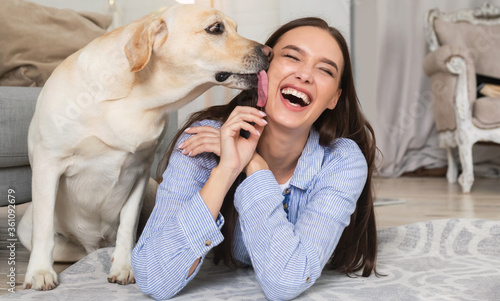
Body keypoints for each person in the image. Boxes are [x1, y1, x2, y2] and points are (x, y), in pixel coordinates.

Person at [131, 17, 378, 300]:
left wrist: (253, 165)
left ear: (334, 98)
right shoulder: (202, 140)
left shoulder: (342, 161)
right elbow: (153, 277)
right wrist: (226, 170)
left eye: (324, 70)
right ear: (262, 71)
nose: (305, 75)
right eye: (292, 57)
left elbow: (285, 282)